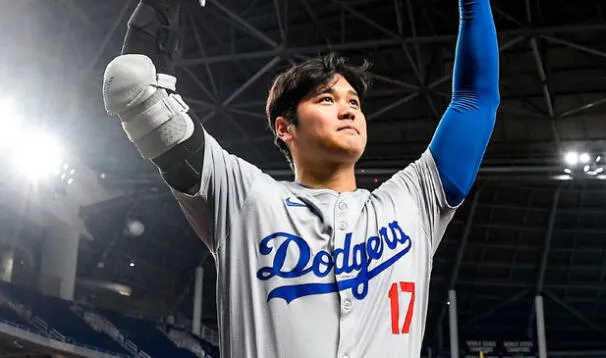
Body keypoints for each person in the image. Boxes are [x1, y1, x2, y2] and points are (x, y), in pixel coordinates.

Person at [102, 0, 499, 356]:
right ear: (284, 128)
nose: (348, 111)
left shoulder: (412, 201)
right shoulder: (246, 199)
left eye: (354, 102)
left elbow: (476, 98)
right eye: (327, 99)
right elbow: (133, 86)